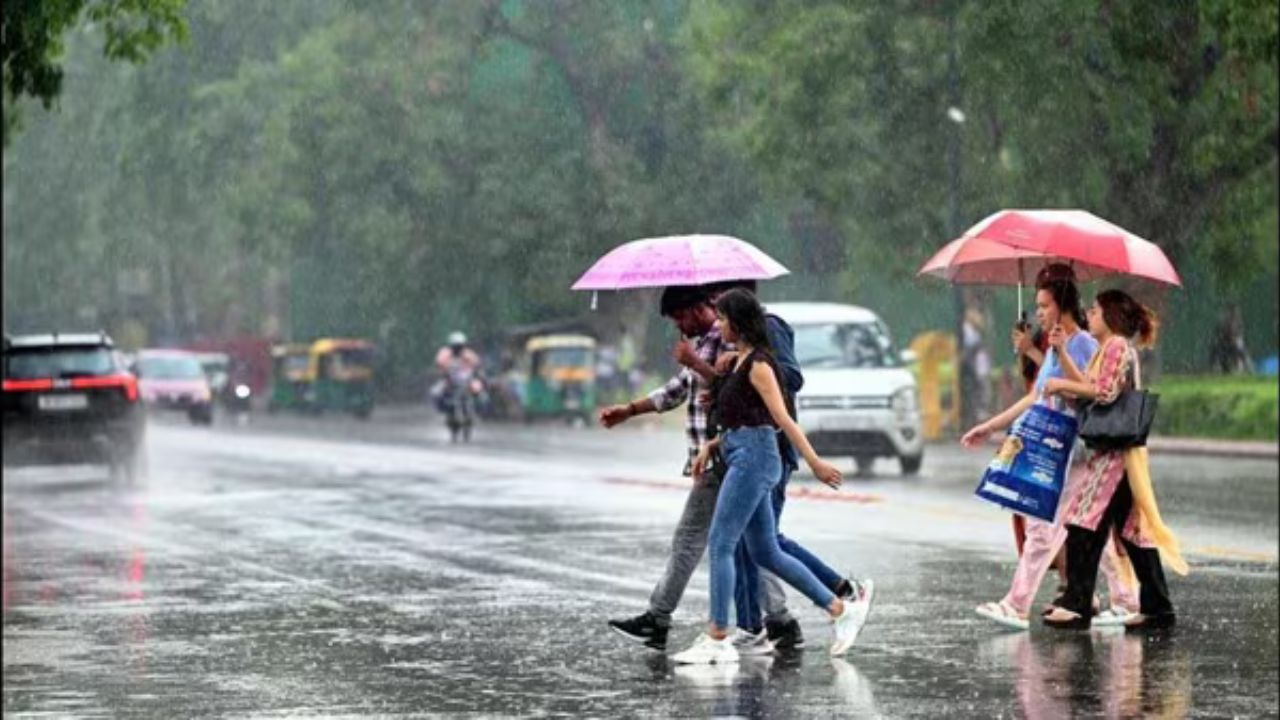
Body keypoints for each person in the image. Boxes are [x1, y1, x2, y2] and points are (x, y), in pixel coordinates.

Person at [672, 288, 868, 664]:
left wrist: (814, 461)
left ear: (741, 323)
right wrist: (713, 446)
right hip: (741, 453)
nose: (720, 325)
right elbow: (742, 417)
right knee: (765, 550)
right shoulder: (739, 361)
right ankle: (841, 610)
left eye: (725, 319)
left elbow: (781, 419)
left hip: (755, 460)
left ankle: (717, 636)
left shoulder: (760, 365)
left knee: (722, 543)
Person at [961, 274, 1138, 630]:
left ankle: (1017, 604)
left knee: (1045, 528)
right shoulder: (1060, 343)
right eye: (1038, 306)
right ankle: (1126, 597)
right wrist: (991, 426)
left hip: (1071, 450)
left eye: (1044, 305)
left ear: (1061, 305)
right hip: (1051, 451)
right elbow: (1037, 396)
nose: (1039, 312)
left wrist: (1057, 355)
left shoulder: (1084, 343)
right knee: (1084, 529)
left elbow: (1089, 390)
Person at [1041, 289, 1188, 630]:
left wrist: (1063, 382)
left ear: (1109, 316)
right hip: (1111, 451)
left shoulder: (1118, 346)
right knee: (1132, 532)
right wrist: (1062, 354)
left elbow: (1104, 392)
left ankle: (1078, 604)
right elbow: (1086, 387)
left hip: (1115, 454)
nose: (1088, 316)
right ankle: (1158, 608)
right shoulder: (1106, 349)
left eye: (1093, 311)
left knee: (1082, 522)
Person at [600, 285, 729, 651]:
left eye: (679, 319)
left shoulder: (727, 337)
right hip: (708, 459)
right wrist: (629, 410)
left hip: (721, 456)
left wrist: (695, 363)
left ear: (696, 309)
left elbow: (737, 387)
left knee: (691, 542)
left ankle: (657, 619)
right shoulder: (702, 342)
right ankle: (784, 619)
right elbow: (676, 391)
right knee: (755, 545)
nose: (678, 328)